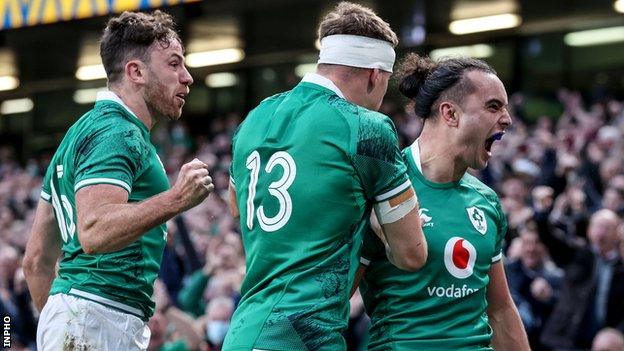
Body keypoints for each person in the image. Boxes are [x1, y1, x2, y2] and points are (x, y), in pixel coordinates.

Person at [224, 2, 427, 350]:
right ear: (375, 74)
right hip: (303, 336)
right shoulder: (367, 127)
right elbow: (412, 254)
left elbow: (236, 208)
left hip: (244, 331)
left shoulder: (255, 117)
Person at [23, 10, 213, 351]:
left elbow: (36, 260)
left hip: (84, 318)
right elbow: (94, 230)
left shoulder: (79, 134)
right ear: (135, 72)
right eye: (173, 64)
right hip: (95, 318)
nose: (187, 77)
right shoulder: (117, 132)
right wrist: (177, 198)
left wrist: (60, 320)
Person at [358, 54, 530, 350]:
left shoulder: (486, 201)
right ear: (450, 114)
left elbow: (500, 312)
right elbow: (334, 300)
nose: (507, 118)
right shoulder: (381, 188)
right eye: (493, 106)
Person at [537, 208, 624, 349]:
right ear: (589, 230)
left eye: (607, 228)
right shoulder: (578, 254)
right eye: (598, 226)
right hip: (566, 337)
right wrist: (542, 213)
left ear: (617, 233)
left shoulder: (621, 265)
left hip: (604, 342)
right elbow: (549, 239)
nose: (601, 233)